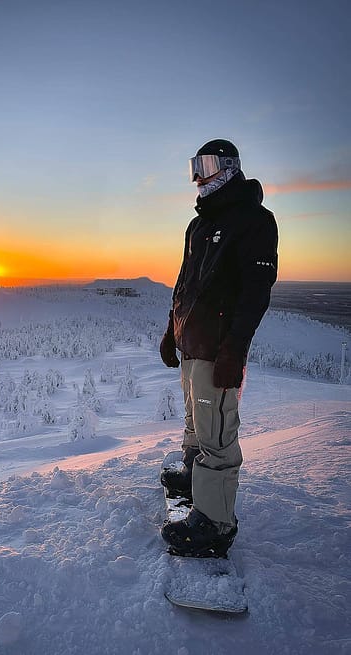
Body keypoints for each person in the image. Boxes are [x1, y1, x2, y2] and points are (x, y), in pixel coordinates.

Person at [159, 139, 278, 557]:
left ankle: (215, 524)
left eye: (206, 165)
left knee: (217, 435)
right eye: (194, 165)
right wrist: (171, 331)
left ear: (229, 167)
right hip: (193, 342)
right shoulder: (198, 225)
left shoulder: (254, 220)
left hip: (218, 349)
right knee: (195, 420)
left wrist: (234, 351)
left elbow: (255, 293)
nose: (198, 175)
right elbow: (184, 285)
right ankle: (194, 475)